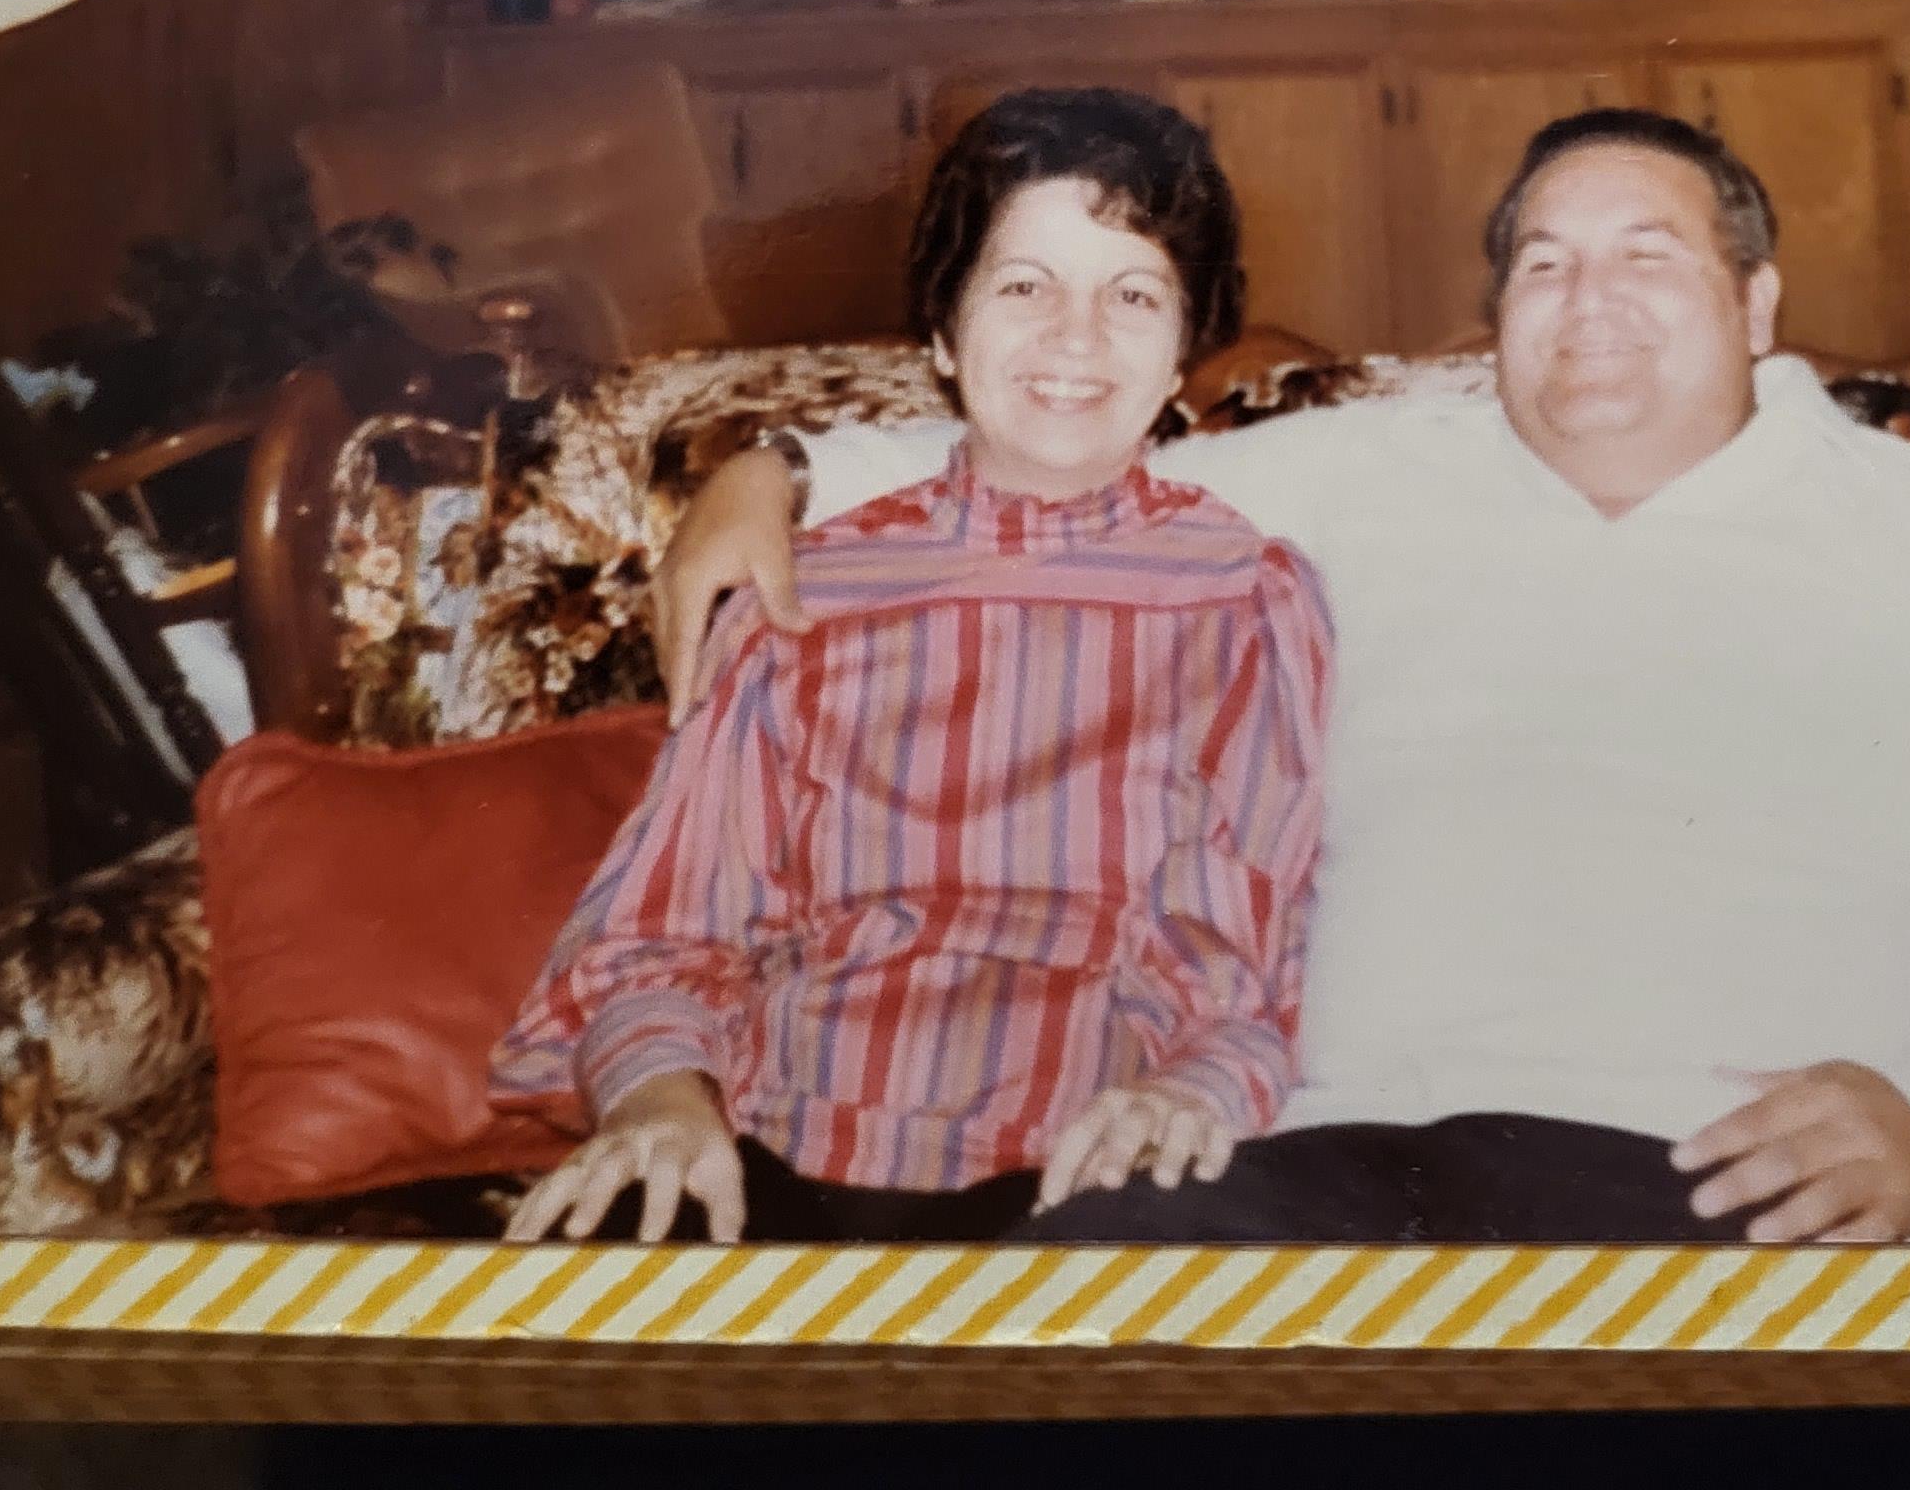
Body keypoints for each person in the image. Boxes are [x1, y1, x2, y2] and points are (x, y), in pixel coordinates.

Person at [655, 109, 1910, 1247]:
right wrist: (780, 464)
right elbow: (1051, 470)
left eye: (1650, 255)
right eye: (1543, 266)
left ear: (1758, 308)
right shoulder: (1360, 480)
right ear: (1493, 316)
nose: (1590, 303)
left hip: (1692, 1185)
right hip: (1290, 1168)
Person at [492, 89, 1332, 1248]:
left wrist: (1187, 1094)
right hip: (779, 1156)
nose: (1074, 339)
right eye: (1024, 286)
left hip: (1083, 1181)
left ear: (1186, 343)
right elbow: (670, 937)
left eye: (1132, 295)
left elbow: (1242, 964)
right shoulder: (801, 590)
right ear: (942, 332)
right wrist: (664, 1104)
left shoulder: (1244, 598)